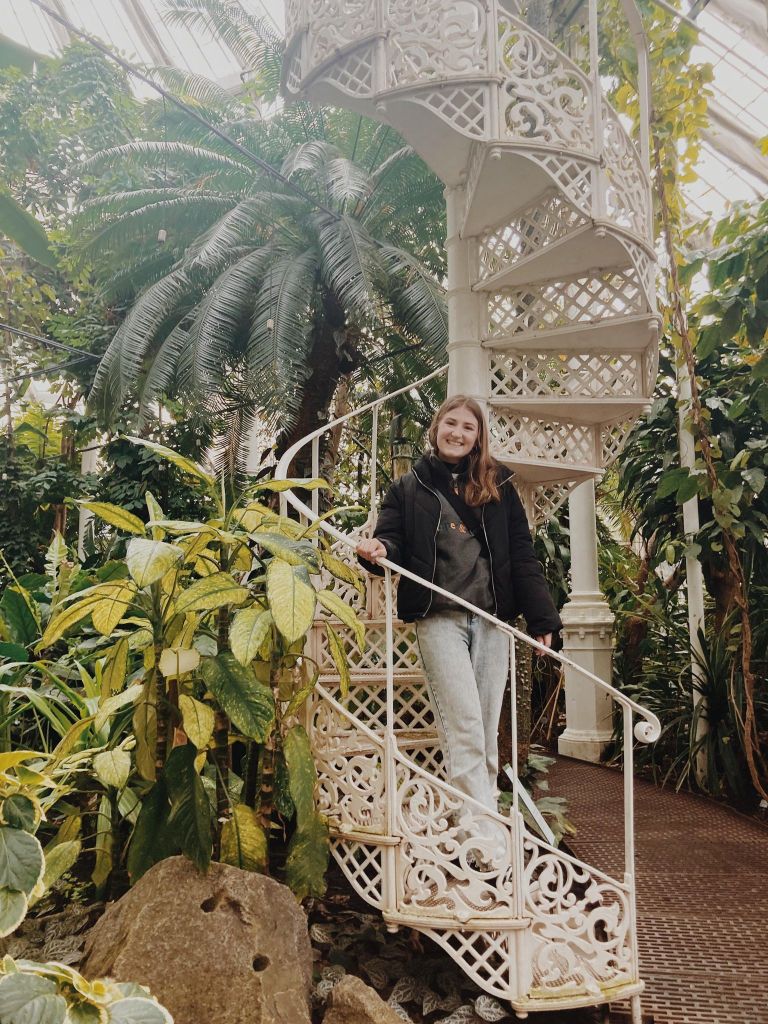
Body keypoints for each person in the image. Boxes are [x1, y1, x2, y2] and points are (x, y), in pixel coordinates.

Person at [356, 394, 562, 815]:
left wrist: (542, 616)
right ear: (436, 428)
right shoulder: (408, 487)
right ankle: (482, 833)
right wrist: (378, 549)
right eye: (451, 423)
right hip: (439, 618)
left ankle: (476, 820)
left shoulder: (499, 484)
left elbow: (521, 555)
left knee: (485, 731)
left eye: (469, 427)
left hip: (490, 619)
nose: (458, 433)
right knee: (464, 725)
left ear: (478, 437)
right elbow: (393, 542)